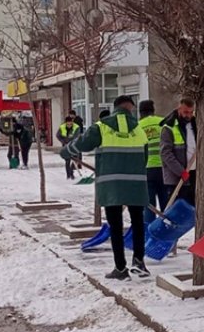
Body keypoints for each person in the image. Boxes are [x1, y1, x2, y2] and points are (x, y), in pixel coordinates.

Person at [61, 95, 150, 280]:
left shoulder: (101, 127)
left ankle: (120, 268)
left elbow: (81, 144)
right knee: (138, 223)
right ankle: (139, 263)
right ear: (129, 108)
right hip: (136, 183)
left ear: (115, 107)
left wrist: (65, 152)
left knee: (115, 226)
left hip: (111, 185)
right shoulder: (140, 129)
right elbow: (145, 157)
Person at [160, 98, 197, 205]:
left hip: (194, 173)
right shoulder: (169, 127)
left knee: (192, 207)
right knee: (179, 207)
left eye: (191, 112)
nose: (188, 115)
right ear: (179, 109)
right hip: (177, 177)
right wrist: (181, 172)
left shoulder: (195, 124)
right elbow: (166, 153)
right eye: (185, 112)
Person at [138, 100, 167, 223]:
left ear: (140, 112)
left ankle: (150, 232)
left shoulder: (138, 126)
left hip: (146, 170)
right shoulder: (163, 123)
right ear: (153, 110)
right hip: (164, 169)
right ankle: (166, 229)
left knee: (149, 205)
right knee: (166, 203)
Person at [57, 115, 82, 179]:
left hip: (74, 146)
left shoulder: (76, 127)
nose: (69, 125)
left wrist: (71, 143)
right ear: (65, 123)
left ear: (72, 122)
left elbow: (76, 136)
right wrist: (63, 141)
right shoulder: (62, 127)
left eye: (70, 124)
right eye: (68, 124)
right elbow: (58, 135)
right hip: (65, 145)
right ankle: (68, 174)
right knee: (67, 160)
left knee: (75, 159)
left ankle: (71, 171)